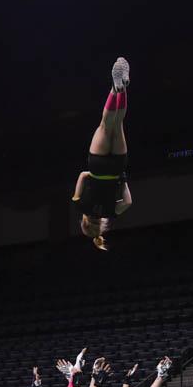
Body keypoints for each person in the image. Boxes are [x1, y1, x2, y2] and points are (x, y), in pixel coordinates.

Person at [72, 58, 133, 251]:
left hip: (116, 168)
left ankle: (121, 89)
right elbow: (82, 175)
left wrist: (122, 181)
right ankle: (115, 89)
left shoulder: (111, 212)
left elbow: (128, 202)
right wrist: (92, 176)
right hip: (97, 166)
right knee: (106, 125)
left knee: (118, 124)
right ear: (84, 223)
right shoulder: (81, 207)